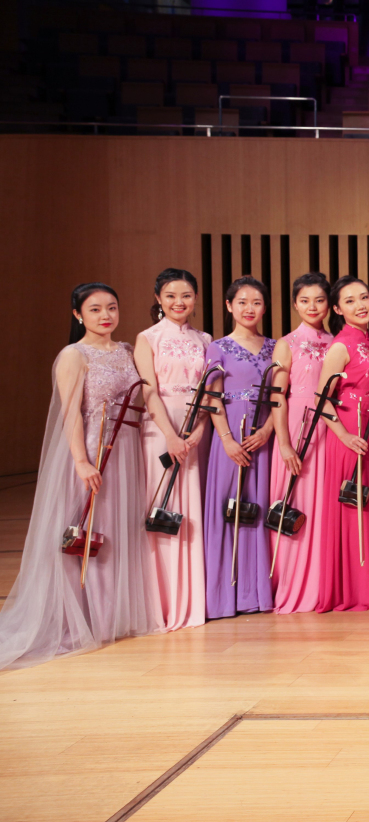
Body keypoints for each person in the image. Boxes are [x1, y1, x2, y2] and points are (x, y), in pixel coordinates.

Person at [0, 284, 162, 669]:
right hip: (93, 448)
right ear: (78, 314)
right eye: (95, 309)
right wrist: (81, 461)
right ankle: (82, 618)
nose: (105, 315)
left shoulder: (126, 350)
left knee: (116, 530)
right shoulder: (73, 355)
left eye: (111, 307)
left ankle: (110, 614)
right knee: (87, 531)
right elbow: (71, 411)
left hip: (126, 449)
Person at [314, 276, 369, 612]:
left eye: (364, 297)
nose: (360, 305)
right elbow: (321, 400)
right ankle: (355, 589)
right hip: (350, 433)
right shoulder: (341, 346)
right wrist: (345, 436)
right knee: (354, 505)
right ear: (337, 309)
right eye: (349, 301)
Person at [136, 268, 213, 631]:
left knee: (193, 509)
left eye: (186, 295)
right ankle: (162, 602)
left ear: (195, 299)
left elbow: (211, 392)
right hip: (160, 430)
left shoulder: (205, 339)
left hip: (197, 432)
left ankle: (193, 601)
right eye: (170, 295)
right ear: (158, 299)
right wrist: (170, 435)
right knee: (161, 507)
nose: (178, 302)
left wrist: (199, 430)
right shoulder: (147, 338)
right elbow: (148, 390)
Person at [202, 277, 277, 618]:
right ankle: (224, 597)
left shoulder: (276, 347)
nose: (249, 308)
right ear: (229, 306)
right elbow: (212, 397)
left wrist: (268, 430)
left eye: (256, 302)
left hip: (264, 435)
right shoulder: (217, 347)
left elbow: (284, 396)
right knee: (228, 509)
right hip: (230, 436)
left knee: (257, 510)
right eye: (242, 302)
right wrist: (227, 440)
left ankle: (255, 593)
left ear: (265, 307)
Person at [268, 273, 334, 613]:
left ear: (329, 304)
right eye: (305, 300)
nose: (312, 306)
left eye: (319, 300)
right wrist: (283, 443)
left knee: (325, 504)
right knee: (294, 500)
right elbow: (277, 395)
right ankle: (292, 583)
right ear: (294, 304)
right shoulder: (286, 343)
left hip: (330, 426)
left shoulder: (336, 342)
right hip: (296, 424)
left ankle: (323, 583)